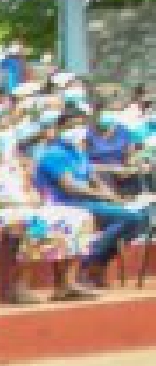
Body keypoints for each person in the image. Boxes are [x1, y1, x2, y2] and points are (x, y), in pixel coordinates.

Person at [0, 115, 96, 304]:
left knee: (80, 216)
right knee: (34, 221)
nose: (4, 134)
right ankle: (18, 285)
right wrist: (12, 203)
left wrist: (33, 197)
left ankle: (66, 283)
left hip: (21, 207)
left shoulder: (10, 160)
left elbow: (29, 188)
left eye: (7, 129)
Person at [36, 111, 150, 290]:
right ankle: (88, 260)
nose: (77, 130)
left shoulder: (79, 152)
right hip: (66, 203)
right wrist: (105, 196)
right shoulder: (54, 153)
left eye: (80, 125)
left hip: (89, 203)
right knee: (129, 218)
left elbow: (95, 179)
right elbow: (71, 187)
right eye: (71, 126)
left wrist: (114, 198)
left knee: (143, 216)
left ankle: (98, 264)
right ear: (60, 129)